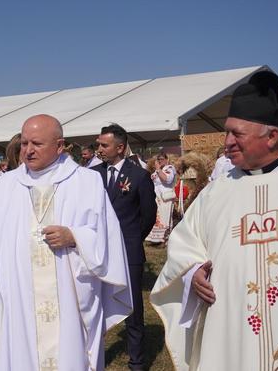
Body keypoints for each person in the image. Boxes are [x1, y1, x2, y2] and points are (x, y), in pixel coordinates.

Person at [150, 70, 278, 370]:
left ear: (272, 137)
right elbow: (185, 245)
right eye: (227, 132)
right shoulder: (216, 193)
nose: (226, 142)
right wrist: (193, 273)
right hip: (232, 337)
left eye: (236, 134)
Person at [0, 114, 132, 370]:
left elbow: (108, 238)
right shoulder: (5, 186)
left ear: (60, 145)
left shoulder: (86, 183)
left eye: (37, 144)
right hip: (18, 299)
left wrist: (74, 236)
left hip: (69, 298)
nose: (28, 151)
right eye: (24, 143)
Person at [91, 123, 157, 371]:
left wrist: (128, 239)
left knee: (133, 308)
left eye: (103, 145)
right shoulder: (93, 175)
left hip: (128, 250)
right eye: (98, 144)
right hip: (96, 251)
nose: (99, 149)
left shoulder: (139, 175)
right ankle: (93, 356)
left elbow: (148, 216)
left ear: (120, 148)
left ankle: (137, 361)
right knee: (93, 303)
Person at [145, 152, 177, 243]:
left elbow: (167, 180)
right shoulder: (156, 171)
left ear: (167, 160)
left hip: (165, 198)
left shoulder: (170, 168)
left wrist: (158, 169)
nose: (160, 161)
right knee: (157, 217)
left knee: (165, 217)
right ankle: (156, 238)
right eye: (158, 159)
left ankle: (165, 238)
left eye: (162, 159)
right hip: (156, 197)